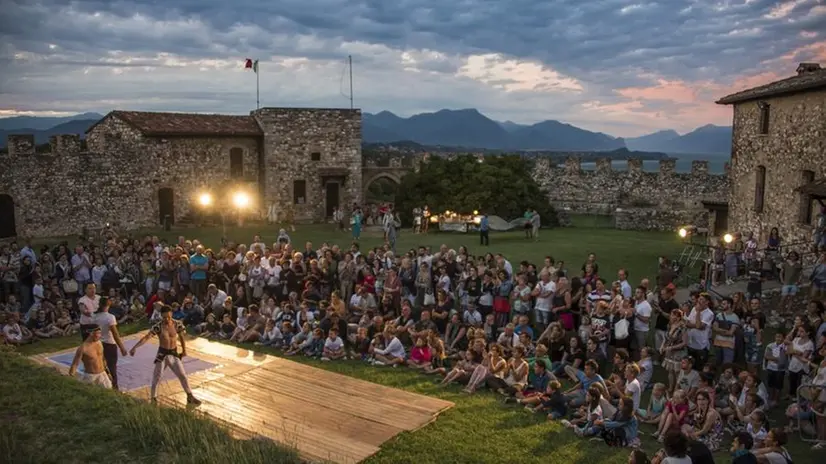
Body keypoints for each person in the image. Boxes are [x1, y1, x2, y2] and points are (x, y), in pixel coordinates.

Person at [130, 305, 201, 405]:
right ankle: (153, 398)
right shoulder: (158, 326)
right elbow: (146, 337)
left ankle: (190, 396)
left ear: (171, 314)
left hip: (173, 353)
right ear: (161, 316)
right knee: (157, 377)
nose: (166, 319)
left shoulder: (177, 324)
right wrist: (135, 347)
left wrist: (184, 350)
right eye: (164, 317)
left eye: (168, 317)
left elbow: (181, 337)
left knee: (183, 376)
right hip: (162, 354)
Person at [96, 297, 129, 390]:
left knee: (102, 365)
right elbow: (115, 334)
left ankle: (104, 384)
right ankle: (114, 387)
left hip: (98, 344)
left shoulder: (95, 317)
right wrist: (122, 347)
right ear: (108, 305)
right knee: (112, 367)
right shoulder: (110, 317)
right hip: (109, 344)